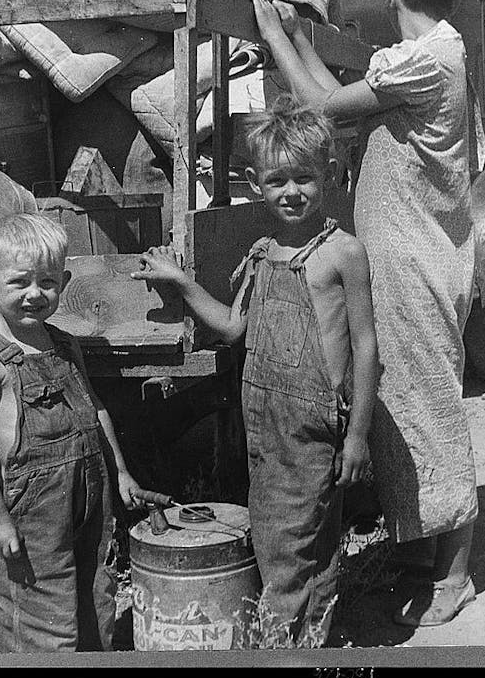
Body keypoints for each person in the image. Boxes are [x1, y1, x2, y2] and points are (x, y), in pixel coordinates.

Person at [250, 0, 479, 627]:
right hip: (404, 254)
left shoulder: (427, 55)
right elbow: (333, 95)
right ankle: (417, 551)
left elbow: (317, 107)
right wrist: (295, 40)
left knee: (431, 405)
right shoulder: (429, 55)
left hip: (416, 258)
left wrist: (275, 33)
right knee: (398, 405)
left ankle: (458, 572)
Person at [131, 97, 379, 646]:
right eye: (277, 180)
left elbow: (366, 348)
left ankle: (277, 655)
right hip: (265, 422)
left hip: (314, 424)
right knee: (291, 541)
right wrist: (179, 280)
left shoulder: (343, 252)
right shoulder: (262, 251)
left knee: (290, 548)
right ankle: (310, 646)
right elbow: (232, 327)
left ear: (330, 176)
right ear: (254, 183)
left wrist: (358, 434)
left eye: (305, 179)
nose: (292, 192)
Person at [0, 212, 142, 652]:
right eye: (19, 282)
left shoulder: (65, 344)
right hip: (30, 515)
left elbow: (94, 409)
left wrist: (120, 473)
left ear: (63, 280)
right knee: (41, 617)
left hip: (88, 499)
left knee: (94, 596)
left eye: (46, 282)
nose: (34, 294)